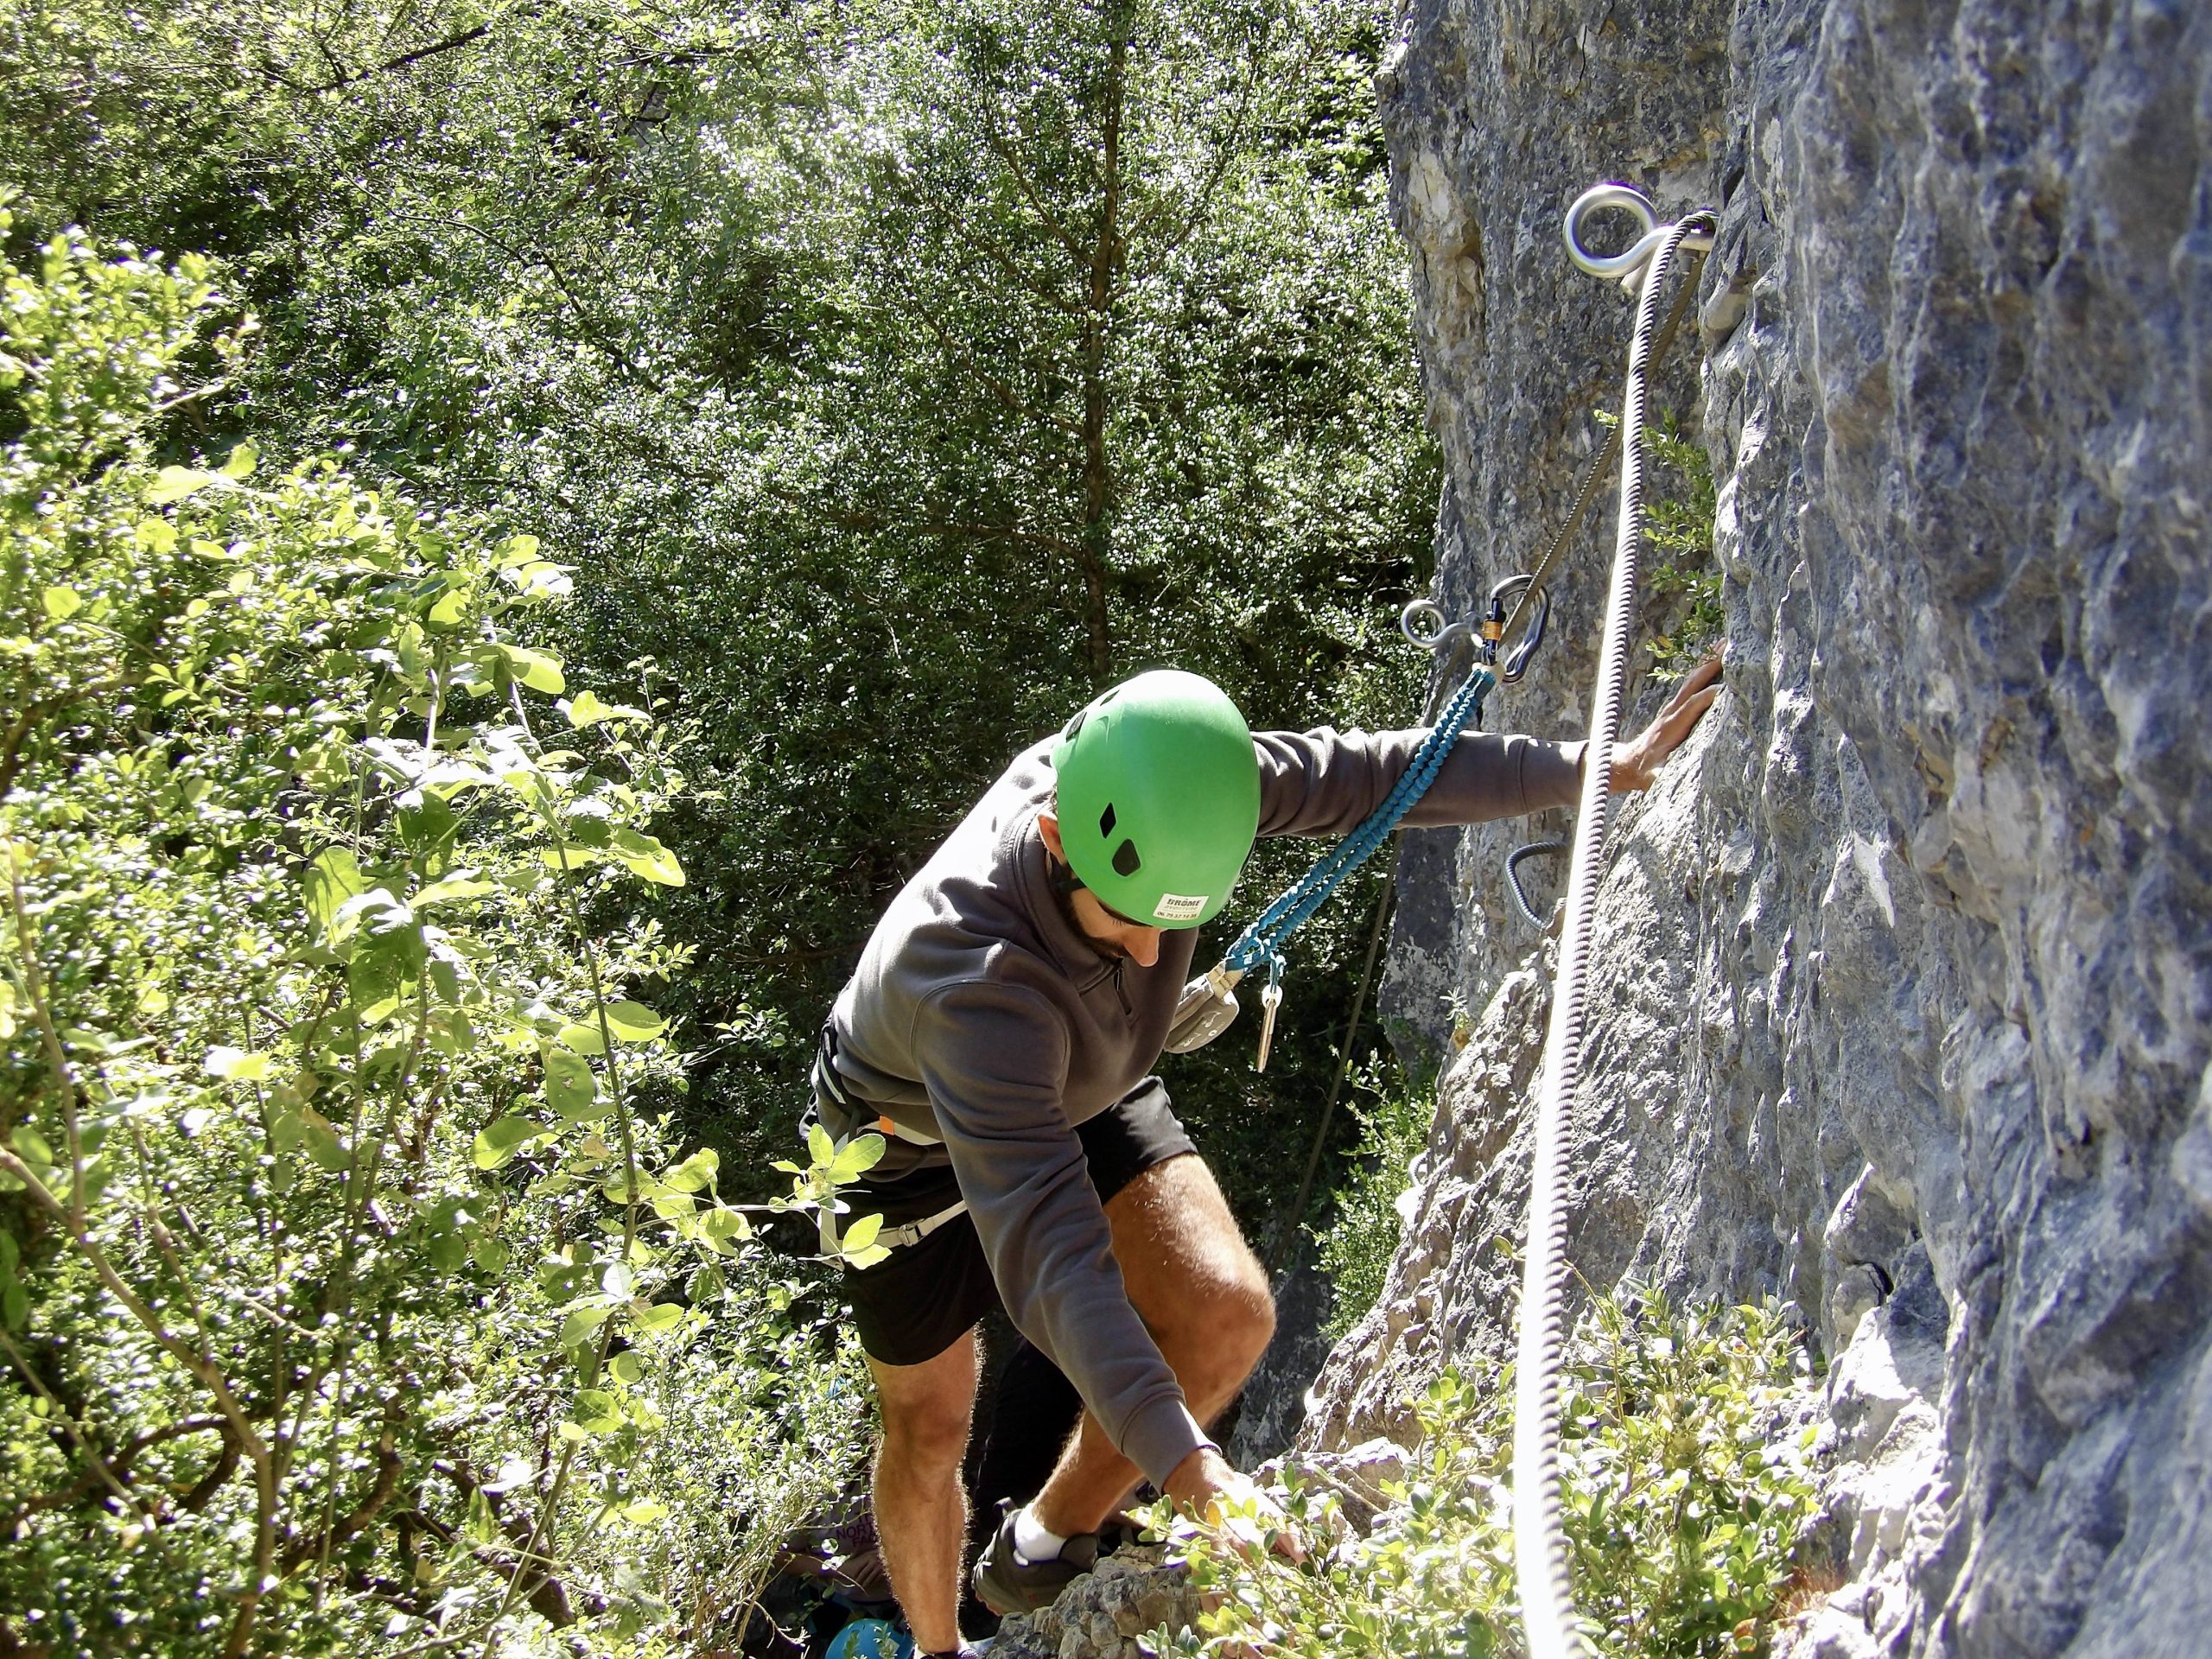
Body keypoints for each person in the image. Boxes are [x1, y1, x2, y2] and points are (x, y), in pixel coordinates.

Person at [808, 659, 1724, 1656]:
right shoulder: (970, 978)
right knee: (932, 1422)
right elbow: (1054, 1259)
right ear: (1057, 841)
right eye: (1129, 920)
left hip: (1081, 1069)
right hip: (896, 1146)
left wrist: (1591, 764)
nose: (1159, 958)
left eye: (1173, 919)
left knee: (1226, 1318)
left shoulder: (1167, 778)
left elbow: (1372, 776)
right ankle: (941, 1650)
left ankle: (1038, 1542)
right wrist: (1192, 1472)